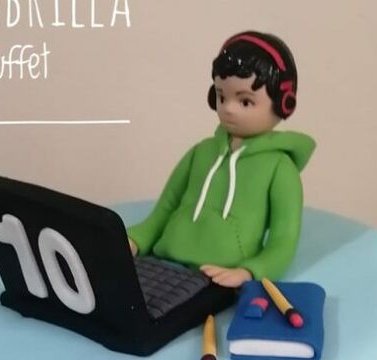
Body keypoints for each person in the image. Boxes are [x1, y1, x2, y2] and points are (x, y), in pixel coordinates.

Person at [127, 31, 315, 289]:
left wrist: (248, 271)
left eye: (245, 101)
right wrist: (135, 239)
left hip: (217, 279)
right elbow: (164, 210)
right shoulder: (200, 152)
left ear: (284, 103)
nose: (228, 108)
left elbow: (283, 240)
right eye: (222, 96)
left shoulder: (281, 169)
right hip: (159, 265)